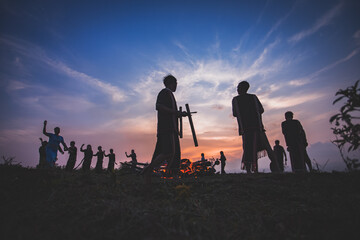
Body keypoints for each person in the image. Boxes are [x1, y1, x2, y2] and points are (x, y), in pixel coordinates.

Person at [141, 75, 187, 183]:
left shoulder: (170, 95)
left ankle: (172, 175)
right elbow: (159, 106)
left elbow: (171, 112)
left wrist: (180, 114)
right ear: (171, 83)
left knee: (172, 153)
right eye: (176, 83)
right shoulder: (164, 93)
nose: (176, 86)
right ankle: (148, 170)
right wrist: (176, 112)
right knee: (169, 151)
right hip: (167, 128)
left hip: (172, 129)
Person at [232, 81, 280, 173]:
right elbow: (261, 109)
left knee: (248, 149)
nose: (237, 89)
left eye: (238, 87)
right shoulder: (253, 97)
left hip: (246, 129)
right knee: (267, 147)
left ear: (243, 88)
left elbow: (235, 114)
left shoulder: (236, 100)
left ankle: (251, 171)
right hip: (258, 127)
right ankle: (276, 168)